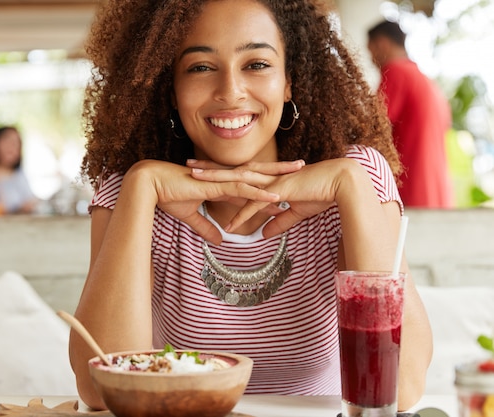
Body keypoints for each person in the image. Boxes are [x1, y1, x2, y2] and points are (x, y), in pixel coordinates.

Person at [69, 0, 433, 411]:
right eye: (200, 67)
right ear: (170, 88)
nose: (230, 92)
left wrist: (349, 184)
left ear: (289, 81)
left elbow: (401, 388)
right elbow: (99, 389)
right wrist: (141, 186)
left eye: (256, 64)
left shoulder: (356, 177)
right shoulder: (130, 190)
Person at [367, 19, 454, 208]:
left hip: (410, 192)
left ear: (381, 44)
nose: (371, 59)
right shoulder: (427, 81)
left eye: (370, 51)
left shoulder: (397, 72)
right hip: (436, 194)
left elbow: (370, 128)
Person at [0, 126, 37, 214]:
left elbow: (32, 201)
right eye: (8, 141)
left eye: (17, 143)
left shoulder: (19, 175)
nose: (12, 147)